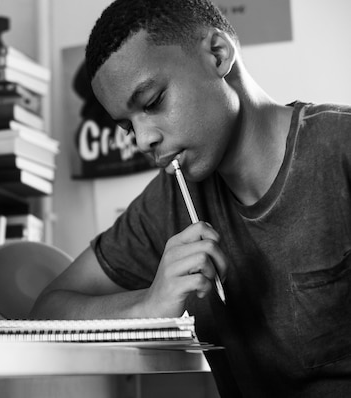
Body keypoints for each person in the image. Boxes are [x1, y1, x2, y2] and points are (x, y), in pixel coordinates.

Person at [29, 0, 351, 396]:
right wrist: (148, 306)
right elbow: (48, 311)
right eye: (128, 126)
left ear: (218, 54)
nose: (144, 139)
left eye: (152, 103)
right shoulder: (168, 201)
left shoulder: (341, 149)